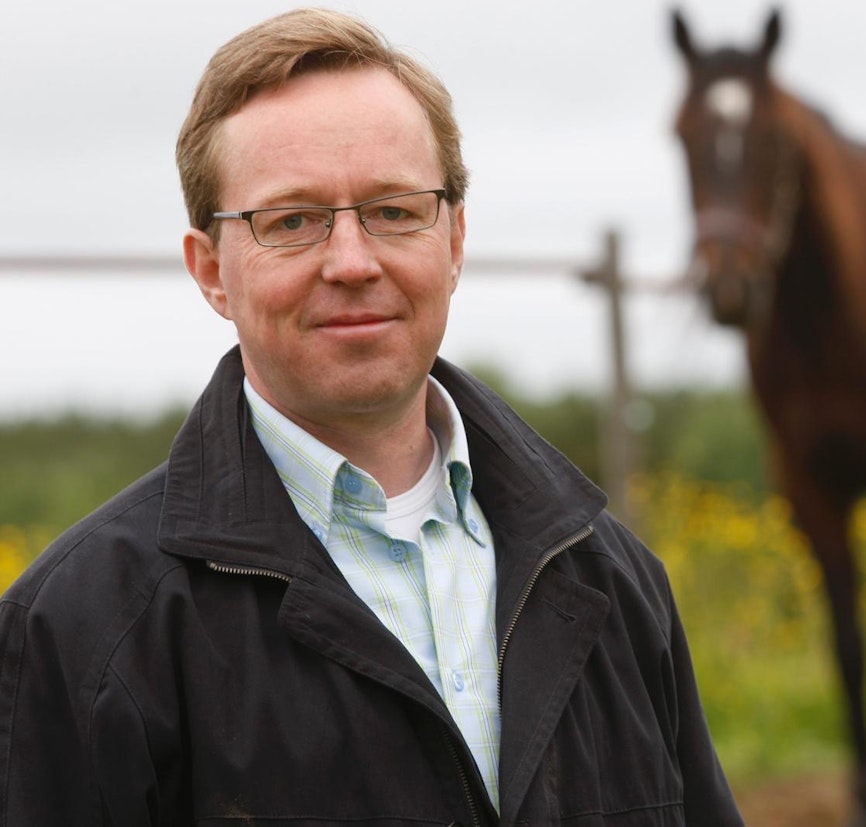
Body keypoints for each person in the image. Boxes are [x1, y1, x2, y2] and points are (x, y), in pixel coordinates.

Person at [0, 9, 743, 826]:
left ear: (453, 240)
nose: (352, 262)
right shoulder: (79, 634)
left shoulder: (613, 580)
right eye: (292, 221)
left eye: (394, 210)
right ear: (211, 271)